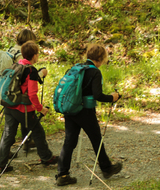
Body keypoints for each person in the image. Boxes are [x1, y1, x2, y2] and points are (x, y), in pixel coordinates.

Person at [55, 44, 122, 186]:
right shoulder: (95, 72)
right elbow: (98, 95)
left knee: (69, 142)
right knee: (96, 139)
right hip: (85, 111)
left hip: (70, 109)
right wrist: (112, 97)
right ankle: (107, 168)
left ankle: (62, 174)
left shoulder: (78, 68)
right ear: (100, 58)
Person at [0, 41, 58, 173]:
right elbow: (32, 95)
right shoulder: (31, 71)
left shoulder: (16, 65)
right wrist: (40, 108)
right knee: (38, 131)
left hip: (9, 106)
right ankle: (46, 158)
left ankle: (1, 165)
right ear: (35, 56)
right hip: (23, 109)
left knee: (8, 134)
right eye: (38, 54)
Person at [8, 29, 38, 153]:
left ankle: (7, 150)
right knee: (25, 114)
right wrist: (38, 74)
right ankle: (27, 140)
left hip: (7, 87)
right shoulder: (21, 53)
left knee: (12, 122)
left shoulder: (11, 49)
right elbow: (25, 71)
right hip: (18, 89)